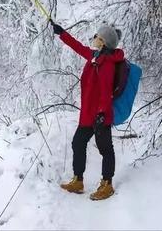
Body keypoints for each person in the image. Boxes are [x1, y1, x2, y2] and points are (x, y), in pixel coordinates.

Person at [50, 20, 123, 201]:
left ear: (104, 41)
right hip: (89, 114)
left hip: (100, 115)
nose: (94, 38)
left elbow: (106, 92)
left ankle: (107, 184)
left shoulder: (107, 64)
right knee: (78, 143)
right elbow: (78, 47)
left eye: (97, 36)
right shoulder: (95, 56)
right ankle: (78, 180)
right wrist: (62, 33)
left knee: (105, 148)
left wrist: (101, 113)